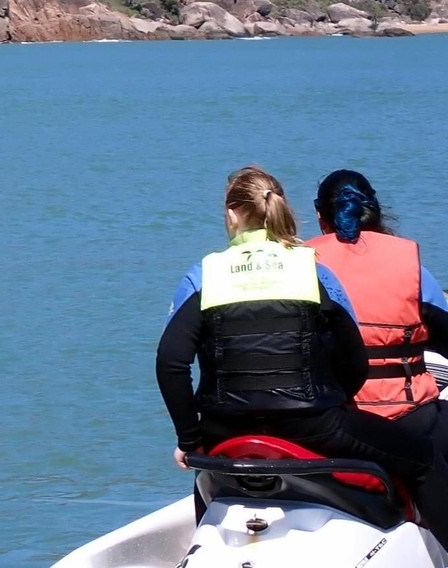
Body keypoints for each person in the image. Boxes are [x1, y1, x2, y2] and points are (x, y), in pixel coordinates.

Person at [156, 165, 448, 545]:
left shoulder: (204, 276)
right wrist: (334, 401)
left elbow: (171, 363)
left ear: (231, 214)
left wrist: (190, 437)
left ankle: (206, 543)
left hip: (224, 429)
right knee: (423, 459)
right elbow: (353, 355)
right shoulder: (314, 271)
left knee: (206, 476)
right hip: (312, 425)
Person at [306, 170, 448, 450]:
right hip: (408, 415)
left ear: (321, 217)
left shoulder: (302, 268)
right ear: (375, 212)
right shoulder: (412, 270)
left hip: (329, 416)